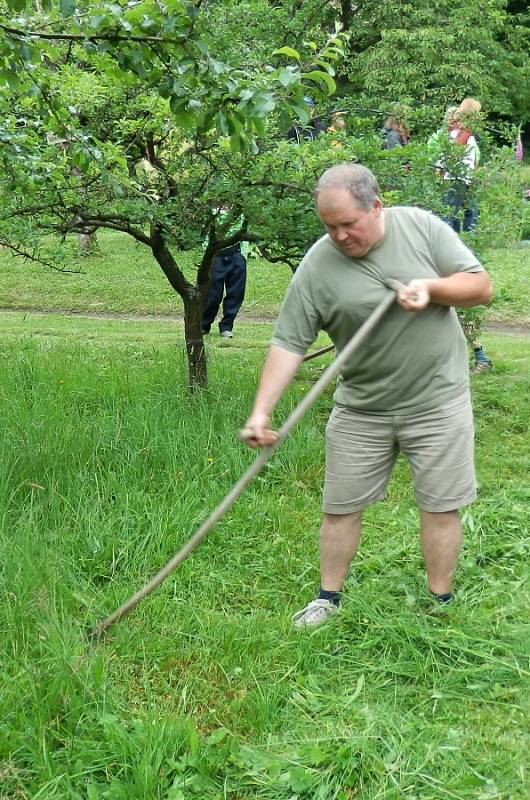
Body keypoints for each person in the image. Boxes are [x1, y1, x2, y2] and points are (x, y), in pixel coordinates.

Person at [241, 163, 492, 628]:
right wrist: (262, 411)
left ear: (376, 206)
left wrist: (432, 289)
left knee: (440, 505)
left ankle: (440, 603)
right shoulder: (317, 265)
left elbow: (480, 286)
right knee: (340, 507)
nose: (338, 236)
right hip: (362, 409)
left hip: (437, 400)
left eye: (348, 224)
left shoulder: (420, 228)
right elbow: (289, 342)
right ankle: (327, 599)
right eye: (329, 226)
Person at [202, 211, 249, 339]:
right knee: (213, 295)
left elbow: (245, 230)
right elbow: (206, 234)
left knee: (236, 293)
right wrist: (208, 255)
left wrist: (243, 255)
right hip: (217, 255)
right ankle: (204, 325)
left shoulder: (241, 207)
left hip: (237, 254)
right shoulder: (210, 209)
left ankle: (227, 327)